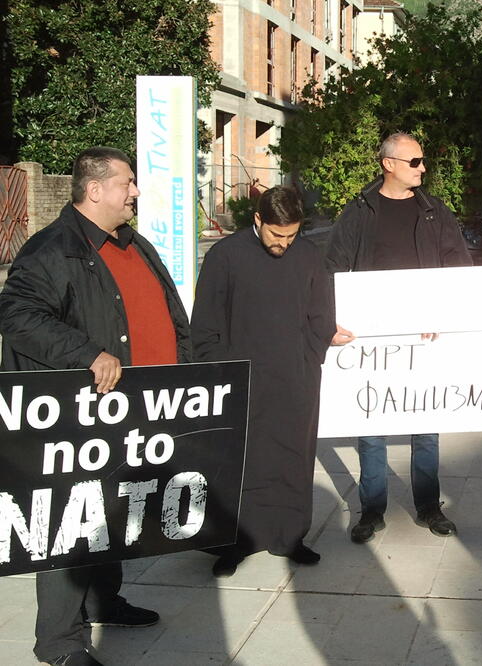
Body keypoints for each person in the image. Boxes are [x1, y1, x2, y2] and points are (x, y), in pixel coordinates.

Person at [0, 147, 191, 666]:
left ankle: (103, 601)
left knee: (115, 511)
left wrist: (188, 373)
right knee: (71, 519)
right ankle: (60, 642)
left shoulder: (133, 242)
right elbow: (16, 314)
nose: (135, 192)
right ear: (95, 189)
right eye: (127, 182)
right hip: (81, 416)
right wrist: (87, 354)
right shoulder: (52, 249)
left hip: (139, 410)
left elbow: (168, 315)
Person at [326, 132, 472, 544]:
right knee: (372, 427)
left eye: (422, 161)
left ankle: (429, 506)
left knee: (426, 426)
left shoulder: (434, 212)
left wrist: (443, 314)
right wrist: (329, 321)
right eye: (415, 162)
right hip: (372, 339)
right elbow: (331, 267)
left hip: (425, 335)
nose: (423, 168)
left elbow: (459, 267)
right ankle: (372, 511)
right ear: (388, 164)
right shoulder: (359, 211)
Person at [191, 186, 335, 577]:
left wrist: (309, 360)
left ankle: (290, 537)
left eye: (291, 235)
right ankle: (234, 542)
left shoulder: (309, 255)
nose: (284, 243)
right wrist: (223, 372)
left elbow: (322, 317)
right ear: (258, 220)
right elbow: (205, 324)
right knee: (241, 461)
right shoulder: (225, 256)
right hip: (240, 379)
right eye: (276, 234)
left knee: (293, 458)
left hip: (296, 378)